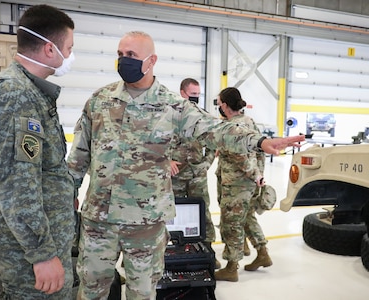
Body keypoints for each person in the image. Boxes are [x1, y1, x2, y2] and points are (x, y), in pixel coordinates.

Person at [67, 31, 304, 300]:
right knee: (91, 291)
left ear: (151, 60)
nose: (123, 61)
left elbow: (217, 130)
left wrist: (260, 142)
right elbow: (79, 156)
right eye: (120, 55)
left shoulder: (172, 106)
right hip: (99, 221)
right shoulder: (100, 101)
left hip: (146, 225)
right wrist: (69, 195)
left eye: (131, 55)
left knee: (142, 293)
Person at [0, 5, 76, 299]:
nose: (69, 55)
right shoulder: (14, 95)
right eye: (68, 48)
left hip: (40, 240)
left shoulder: (30, 91)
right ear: (49, 49)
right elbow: (16, 183)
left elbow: (39, 167)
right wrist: (41, 255)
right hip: (28, 253)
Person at [214, 87, 272, 282]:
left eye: (218, 102)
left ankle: (231, 267)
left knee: (231, 224)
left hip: (235, 184)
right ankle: (262, 252)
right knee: (247, 218)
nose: (218, 106)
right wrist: (259, 175)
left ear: (224, 105)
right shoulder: (249, 122)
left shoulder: (230, 128)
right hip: (249, 184)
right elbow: (260, 150)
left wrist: (254, 173)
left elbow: (240, 157)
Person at [170, 78, 220, 269]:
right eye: (192, 95)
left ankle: (208, 252)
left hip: (197, 175)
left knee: (203, 213)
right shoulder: (171, 117)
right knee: (172, 214)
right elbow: (157, 142)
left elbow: (213, 146)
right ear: (182, 93)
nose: (195, 99)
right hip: (175, 176)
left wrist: (205, 165)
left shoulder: (204, 117)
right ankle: (174, 252)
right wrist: (167, 161)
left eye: (198, 95)